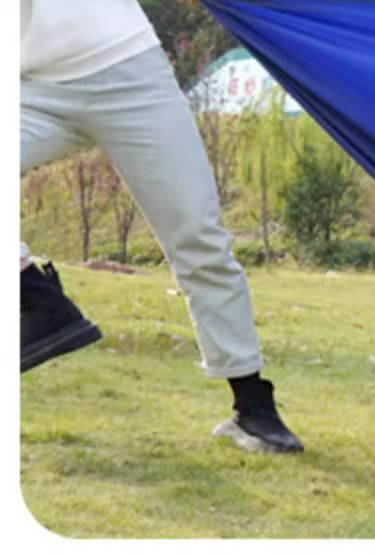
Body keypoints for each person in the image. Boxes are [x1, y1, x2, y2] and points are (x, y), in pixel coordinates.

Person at [20, 0, 303, 454]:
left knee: (197, 236)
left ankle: (253, 407)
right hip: (29, 87)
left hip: (127, 66)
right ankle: (37, 298)